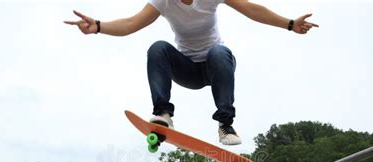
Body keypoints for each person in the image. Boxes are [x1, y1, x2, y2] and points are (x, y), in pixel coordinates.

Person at [65, 0, 318, 145]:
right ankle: (163, 113)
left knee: (219, 51)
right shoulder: (162, 1)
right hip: (185, 69)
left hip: (216, 68)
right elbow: (131, 24)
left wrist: (289, 24)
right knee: (158, 48)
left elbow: (251, 9)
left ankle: (225, 125)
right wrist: (98, 26)